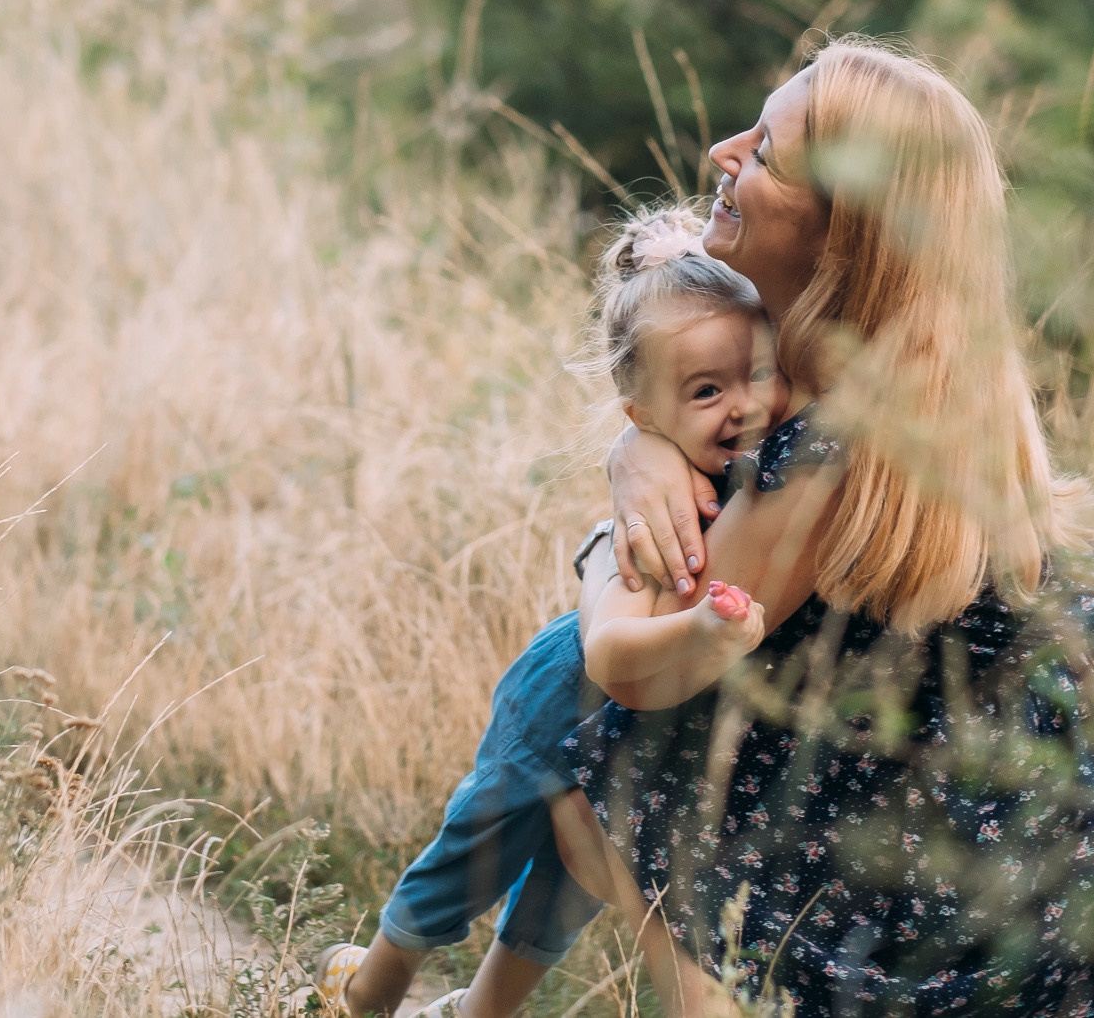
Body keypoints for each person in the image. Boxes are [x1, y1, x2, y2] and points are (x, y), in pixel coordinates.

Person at [550, 40, 1094, 1018]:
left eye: (767, 155)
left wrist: (607, 538)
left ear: (842, 238)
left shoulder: (836, 450)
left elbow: (642, 657)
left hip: (1065, 837)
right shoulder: (900, 370)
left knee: (610, 754)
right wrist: (635, 450)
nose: (723, 156)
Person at [316, 206, 786, 1018]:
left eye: (757, 376)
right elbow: (625, 634)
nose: (741, 407)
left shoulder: (763, 469)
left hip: (647, 726)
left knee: (568, 891)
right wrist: (707, 628)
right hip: (565, 691)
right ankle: (368, 988)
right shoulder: (662, 502)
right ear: (643, 414)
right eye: (707, 390)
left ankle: (477, 1011)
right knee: (480, 843)